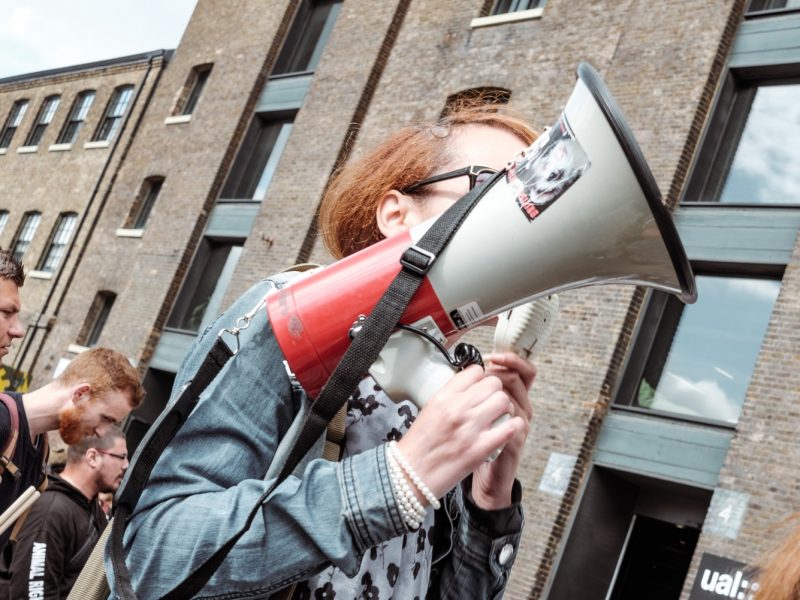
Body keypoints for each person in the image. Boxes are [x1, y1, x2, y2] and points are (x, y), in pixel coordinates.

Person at [109, 105, 539, 599]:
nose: (521, 214)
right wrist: (394, 481)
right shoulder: (294, 319)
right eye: (491, 185)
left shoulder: (455, 380)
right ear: (396, 216)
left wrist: (489, 504)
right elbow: (149, 557)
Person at [0, 347, 144, 550]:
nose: (102, 432)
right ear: (81, 394)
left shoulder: (41, 448)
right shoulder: (3, 422)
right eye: (105, 418)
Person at [0, 426, 127, 599]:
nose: (126, 465)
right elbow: (34, 595)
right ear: (92, 457)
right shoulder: (51, 512)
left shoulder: (91, 509)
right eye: (121, 457)